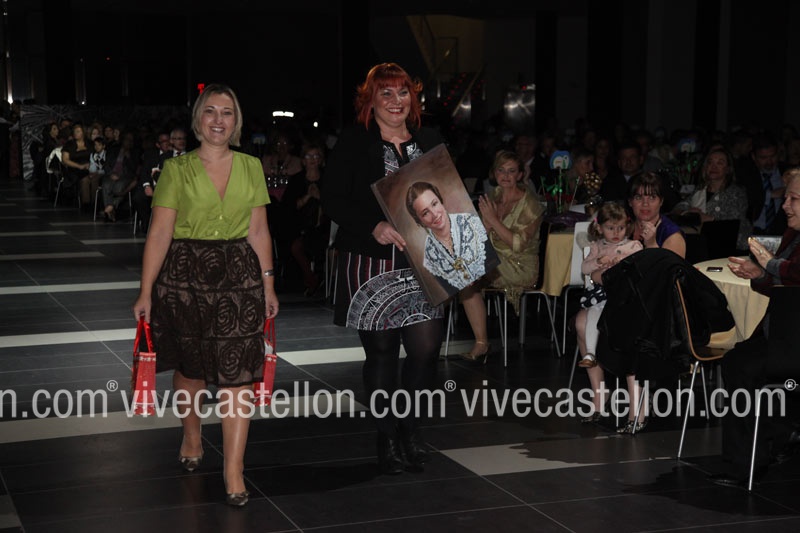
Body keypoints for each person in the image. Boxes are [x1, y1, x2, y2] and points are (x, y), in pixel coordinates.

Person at [132, 84, 278, 507]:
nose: (218, 119)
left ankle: (234, 469)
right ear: (198, 119)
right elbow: (159, 233)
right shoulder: (176, 169)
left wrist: (268, 284)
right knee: (191, 368)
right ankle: (192, 435)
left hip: (239, 279)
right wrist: (145, 291)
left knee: (238, 374)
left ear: (236, 121)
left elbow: (258, 230)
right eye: (210, 111)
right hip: (184, 279)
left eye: (227, 112)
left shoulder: (251, 166)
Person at [321, 63, 444, 475]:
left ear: (413, 98)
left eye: (403, 92)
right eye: (386, 93)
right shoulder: (355, 141)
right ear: (370, 100)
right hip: (371, 260)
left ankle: (411, 428)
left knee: (425, 351)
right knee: (382, 353)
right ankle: (387, 435)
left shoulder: (429, 140)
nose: (396, 101)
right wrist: (371, 225)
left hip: (424, 261)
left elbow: (448, 196)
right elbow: (333, 198)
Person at [708, 168, 800, 488]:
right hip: (785, 336)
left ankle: (747, 463)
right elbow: (784, 283)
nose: (785, 205)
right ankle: (780, 434)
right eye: (786, 197)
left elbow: (792, 273)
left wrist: (767, 263)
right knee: (738, 361)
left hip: (793, 343)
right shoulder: (792, 234)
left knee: (742, 366)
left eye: (793, 199)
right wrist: (759, 274)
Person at [614, 171, 686, 433]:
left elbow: (668, 279)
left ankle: (638, 411)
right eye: (638, 197)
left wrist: (652, 243)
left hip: (663, 309)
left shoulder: (672, 234)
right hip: (627, 301)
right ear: (630, 202)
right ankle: (599, 399)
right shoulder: (622, 227)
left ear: (661, 201)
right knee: (582, 321)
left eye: (652, 197)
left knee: (631, 328)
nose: (645, 204)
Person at [457, 151, 545, 361]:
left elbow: (518, 245)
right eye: (501, 170)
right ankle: (481, 343)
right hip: (494, 258)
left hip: (519, 265)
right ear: (494, 173)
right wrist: (486, 226)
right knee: (460, 273)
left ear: (520, 175)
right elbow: (479, 239)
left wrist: (493, 221)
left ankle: (481, 343)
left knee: (464, 274)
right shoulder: (493, 197)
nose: (505, 175)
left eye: (511, 171)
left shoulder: (530, 203)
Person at [573, 203, 642, 422]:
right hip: (602, 297)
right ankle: (595, 373)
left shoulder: (633, 246)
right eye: (610, 228)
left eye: (620, 228)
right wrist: (599, 262)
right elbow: (585, 269)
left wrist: (620, 263)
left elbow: (639, 270)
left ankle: (637, 404)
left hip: (626, 299)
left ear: (627, 227)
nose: (616, 233)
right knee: (585, 321)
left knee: (623, 326)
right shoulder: (597, 246)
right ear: (600, 228)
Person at [406, 181, 489, 292]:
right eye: (425, 213)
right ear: (420, 221)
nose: (434, 214)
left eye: (434, 204)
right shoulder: (430, 256)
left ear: (441, 201)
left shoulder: (471, 223)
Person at [671, 148, 752, 250]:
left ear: (728, 169)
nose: (714, 167)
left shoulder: (736, 192)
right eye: (710, 162)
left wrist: (708, 218)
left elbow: (734, 224)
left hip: (725, 244)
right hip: (700, 242)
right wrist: (687, 212)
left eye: (720, 163)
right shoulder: (700, 189)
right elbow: (681, 206)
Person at [280, 140, 329, 296]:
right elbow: (288, 207)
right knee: (295, 245)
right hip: (299, 227)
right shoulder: (297, 180)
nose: (312, 159)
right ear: (303, 160)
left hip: (324, 228)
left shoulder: (328, 179)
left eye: (316, 156)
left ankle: (316, 281)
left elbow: (334, 205)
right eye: (308, 156)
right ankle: (312, 279)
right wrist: (307, 197)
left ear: (321, 159)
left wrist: (320, 197)